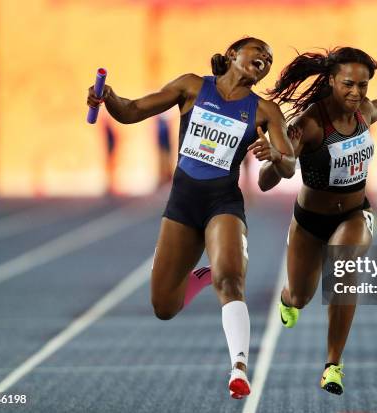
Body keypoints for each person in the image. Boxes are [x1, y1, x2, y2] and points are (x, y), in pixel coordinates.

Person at [86, 37, 295, 399]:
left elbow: (290, 164)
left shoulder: (265, 111)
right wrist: (109, 99)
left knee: (231, 279)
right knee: (164, 307)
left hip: (223, 202)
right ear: (233, 55)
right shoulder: (192, 86)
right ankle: (204, 273)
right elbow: (132, 110)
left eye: (269, 59)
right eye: (257, 51)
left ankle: (239, 367)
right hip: (182, 204)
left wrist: (275, 154)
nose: (263, 58)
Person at [259, 47, 377, 395]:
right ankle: (289, 299)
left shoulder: (365, 112)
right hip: (310, 222)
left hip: (355, 214)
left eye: (363, 85)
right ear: (330, 81)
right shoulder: (308, 126)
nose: (356, 94)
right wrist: (276, 158)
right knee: (301, 296)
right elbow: (267, 181)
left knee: (345, 261)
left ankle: (333, 365)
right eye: (348, 85)